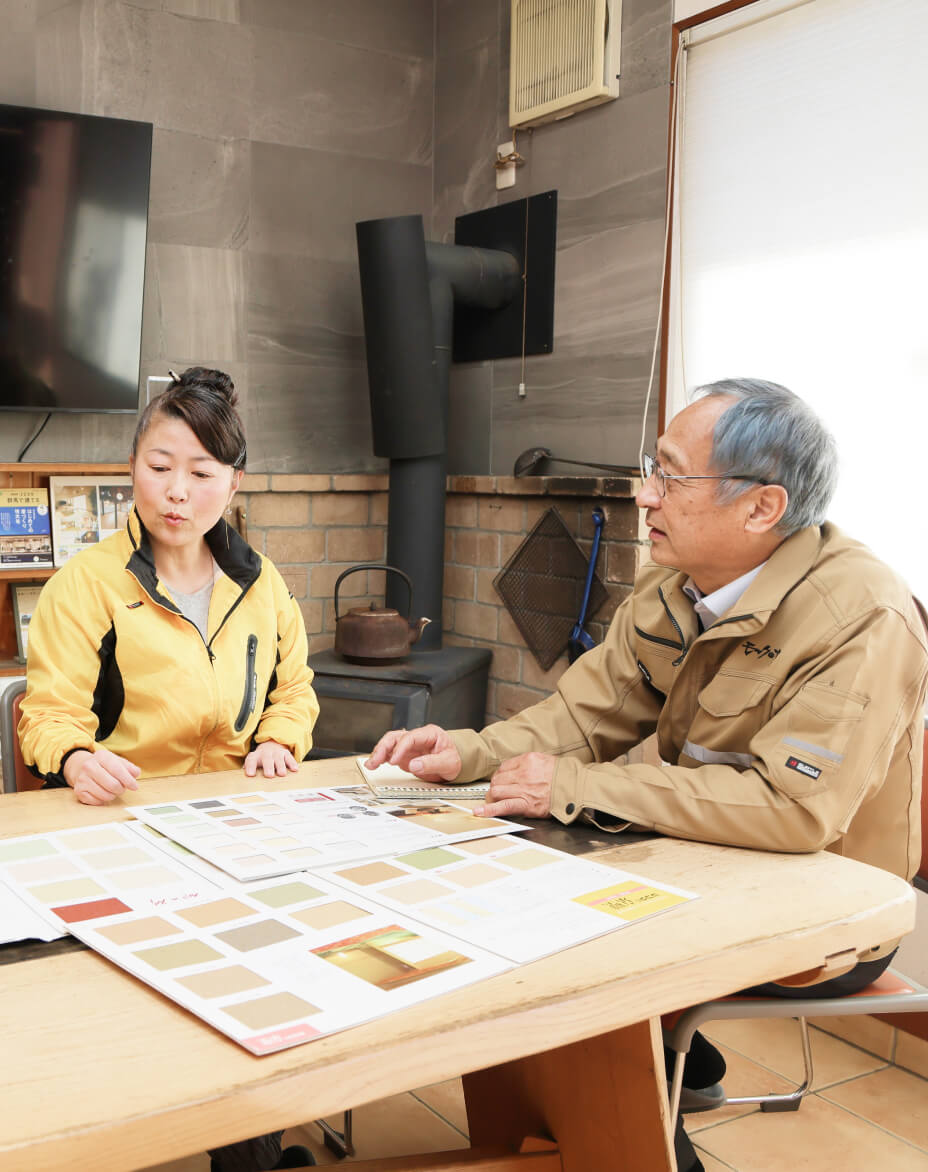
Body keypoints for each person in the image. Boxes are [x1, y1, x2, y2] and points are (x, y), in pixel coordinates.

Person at [367, 378, 928, 1172]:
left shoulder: (865, 615)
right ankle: (631, 1081)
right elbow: (581, 718)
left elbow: (796, 812)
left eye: (669, 475)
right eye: (650, 467)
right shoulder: (672, 584)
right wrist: (472, 751)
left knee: (575, 944)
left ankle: (646, 1132)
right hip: (704, 861)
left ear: (761, 508)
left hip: (829, 906)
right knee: (510, 878)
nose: (643, 493)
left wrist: (579, 788)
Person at [19, 366, 319, 1171]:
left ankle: (252, 1135)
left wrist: (279, 741)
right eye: (159, 467)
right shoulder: (86, 585)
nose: (176, 493)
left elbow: (296, 691)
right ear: (131, 468)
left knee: (288, 951)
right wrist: (77, 757)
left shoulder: (262, 584)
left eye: (200, 473)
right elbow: (46, 716)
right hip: (125, 826)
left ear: (234, 482)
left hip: (240, 823)